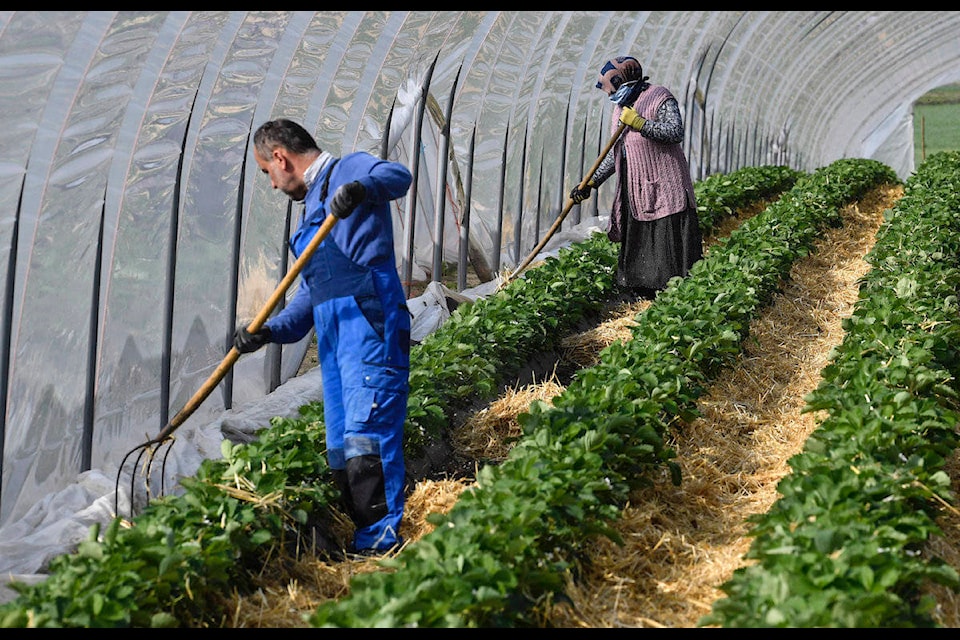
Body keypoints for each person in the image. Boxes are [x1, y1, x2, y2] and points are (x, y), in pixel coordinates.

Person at [234, 118, 413, 557]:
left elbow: (398, 176)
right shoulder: (312, 206)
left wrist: (361, 191)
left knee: (366, 446)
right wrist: (267, 331)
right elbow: (311, 295)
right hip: (335, 346)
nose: (272, 185)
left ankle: (385, 549)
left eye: (266, 173)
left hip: (370, 329)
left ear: (280, 157)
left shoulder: (349, 170)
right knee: (341, 456)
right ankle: (364, 545)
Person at [570, 55, 703, 300]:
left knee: (666, 240)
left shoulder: (658, 97)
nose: (611, 97)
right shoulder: (619, 109)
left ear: (625, 81)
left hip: (667, 185)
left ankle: (674, 294)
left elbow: (675, 131)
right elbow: (617, 153)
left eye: (613, 90)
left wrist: (640, 123)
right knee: (640, 241)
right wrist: (591, 182)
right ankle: (644, 293)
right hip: (637, 188)